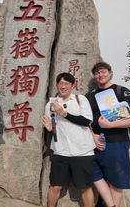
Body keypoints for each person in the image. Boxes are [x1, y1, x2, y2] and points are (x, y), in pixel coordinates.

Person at [85, 62, 130, 207]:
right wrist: (92, 134)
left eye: (103, 72)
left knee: (116, 180)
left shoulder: (121, 91)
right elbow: (85, 120)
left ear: (110, 73)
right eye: (97, 73)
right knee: (93, 174)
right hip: (94, 143)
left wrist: (110, 125)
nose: (100, 75)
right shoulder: (90, 95)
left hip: (116, 141)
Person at [41, 73, 96, 207]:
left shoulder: (80, 99)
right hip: (61, 150)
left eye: (66, 84)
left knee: (85, 186)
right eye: (60, 83)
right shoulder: (50, 104)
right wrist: (50, 128)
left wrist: (64, 114)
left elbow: (86, 120)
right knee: (55, 186)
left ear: (72, 86)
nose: (63, 86)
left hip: (82, 151)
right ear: (56, 85)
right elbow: (54, 126)